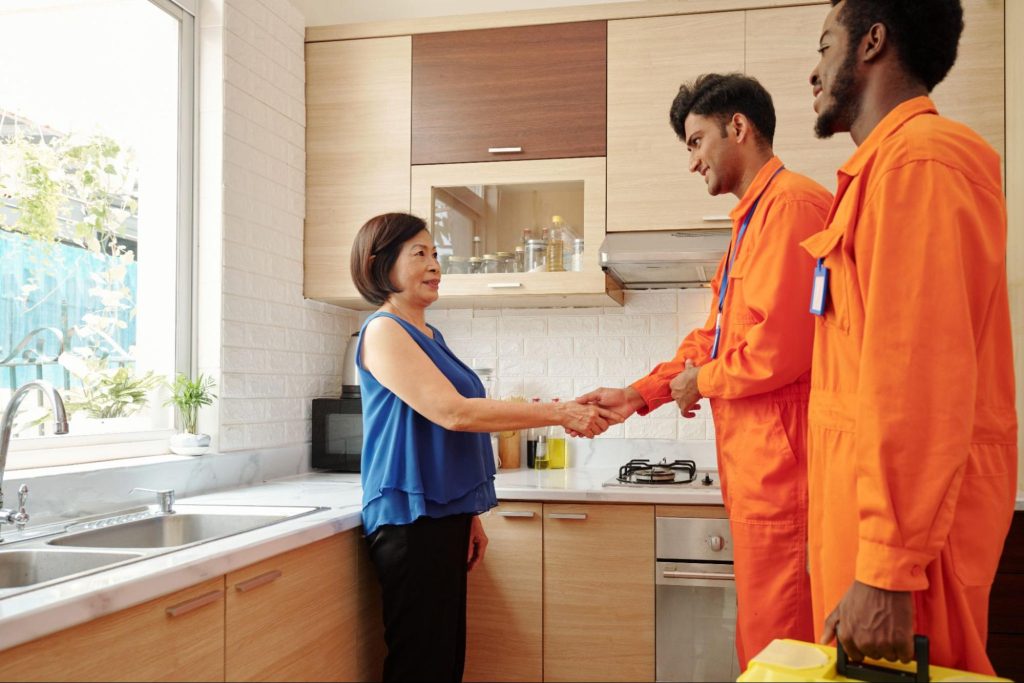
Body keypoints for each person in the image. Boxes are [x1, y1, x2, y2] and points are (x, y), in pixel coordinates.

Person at [577, 74, 832, 669]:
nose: (692, 162)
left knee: (784, 644)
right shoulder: (750, 224)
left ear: (737, 127)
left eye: (695, 142)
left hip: (787, 468)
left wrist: (702, 382)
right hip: (759, 466)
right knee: (764, 635)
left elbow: (780, 348)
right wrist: (638, 395)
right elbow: (712, 341)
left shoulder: (793, 208)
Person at [805, 0, 1017, 674]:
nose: (814, 71)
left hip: (906, 553)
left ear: (872, 43)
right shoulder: (882, 172)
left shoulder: (920, 164)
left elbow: (918, 381)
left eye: (824, 46)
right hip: (871, 529)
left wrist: (887, 568)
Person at [350, 212, 619, 682]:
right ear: (379, 263)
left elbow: (449, 429)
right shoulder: (383, 330)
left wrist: (466, 514)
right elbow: (454, 413)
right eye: (419, 254)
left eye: (436, 254)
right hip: (408, 519)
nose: (435, 265)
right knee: (421, 665)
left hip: (438, 515)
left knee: (443, 660)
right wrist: (560, 412)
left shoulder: (429, 335)